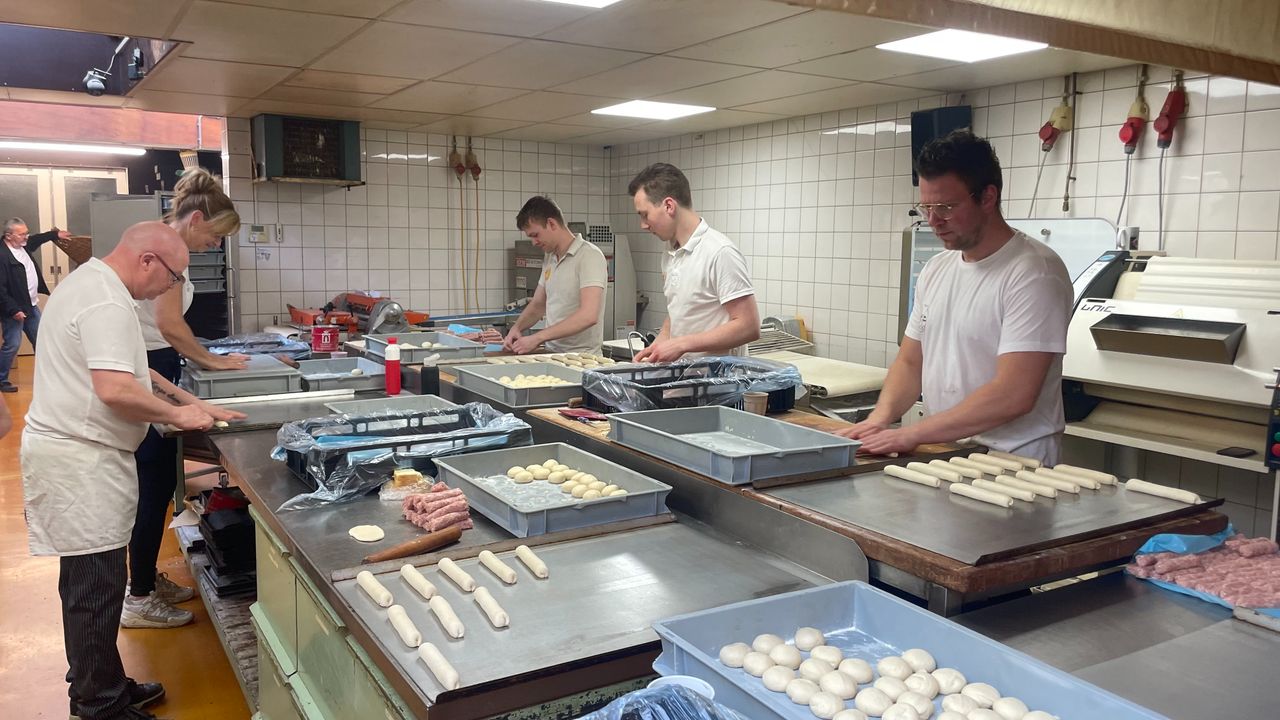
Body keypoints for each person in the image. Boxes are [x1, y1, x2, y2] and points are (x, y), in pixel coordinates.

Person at [20, 221, 238, 720]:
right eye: (174, 276)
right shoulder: (107, 302)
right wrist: (179, 415)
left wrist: (191, 400)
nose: (172, 288)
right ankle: (100, 706)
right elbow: (115, 390)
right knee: (94, 589)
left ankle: (100, 681)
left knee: (88, 585)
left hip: (82, 456)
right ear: (148, 261)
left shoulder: (93, 283)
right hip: (79, 462)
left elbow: (136, 367)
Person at [836, 131, 1073, 465]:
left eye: (946, 206)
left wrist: (913, 433)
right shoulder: (936, 269)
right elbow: (910, 362)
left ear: (988, 198)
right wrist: (879, 419)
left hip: (1013, 461)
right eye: (927, 206)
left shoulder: (1034, 272)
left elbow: (1014, 394)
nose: (933, 221)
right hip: (949, 450)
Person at [124, 168, 247, 629]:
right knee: (152, 485)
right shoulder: (168, 258)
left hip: (154, 366)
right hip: (146, 369)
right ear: (195, 219)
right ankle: (138, 597)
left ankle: (145, 578)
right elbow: (170, 326)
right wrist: (212, 362)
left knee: (154, 482)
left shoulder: (162, 248)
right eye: (215, 236)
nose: (214, 246)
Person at [627, 163, 759, 361]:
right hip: (683, 383)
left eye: (645, 215)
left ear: (669, 206)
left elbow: (748, 326)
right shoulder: (671, 252)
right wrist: (661, 342)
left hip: (718, 386)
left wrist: (681, 344)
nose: (643, 225)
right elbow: (681, 308)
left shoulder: (719, 252)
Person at [503, 196, 608, 356]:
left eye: (535, 235)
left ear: (552, 224)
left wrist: (538, 338)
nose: (534, 242)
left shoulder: (589, 256)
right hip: (552, 354)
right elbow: (538, 304)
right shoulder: (550, 257)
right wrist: (516, 328)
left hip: (582, 359)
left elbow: (589, 315)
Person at [0, 218, 70, 392]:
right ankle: (1, 379)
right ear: (9, 236)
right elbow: (0, 289)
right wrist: (14, 309)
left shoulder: (23, 245)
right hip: (14, 309)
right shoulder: (2, 256)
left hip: (30, 306)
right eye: (22, 234)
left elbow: (36, 239)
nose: (26, 237)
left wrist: (55, 234)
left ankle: (51, 376)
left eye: (26, 232)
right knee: (13, 344)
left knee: (42, 341)